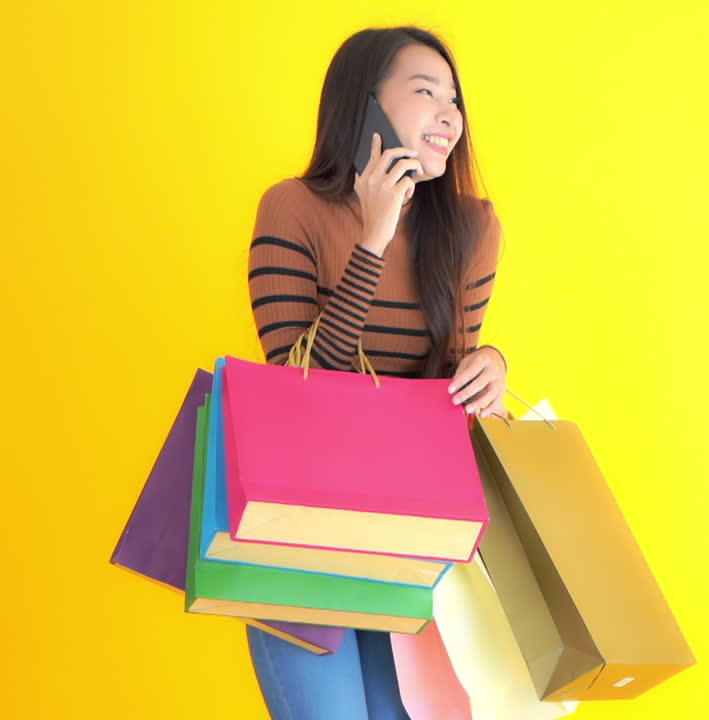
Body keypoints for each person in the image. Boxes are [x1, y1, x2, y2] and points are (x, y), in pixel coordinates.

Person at [244, 25, 509, 719]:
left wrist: (491, 366)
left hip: (415, 537)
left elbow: (443, 383)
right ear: (363, 107)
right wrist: (373, 238)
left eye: (454, 99)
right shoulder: (292, 208)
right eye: (425, 92)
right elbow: (298, 395)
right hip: (301, 530)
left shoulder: (473, 227)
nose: (449, 115)